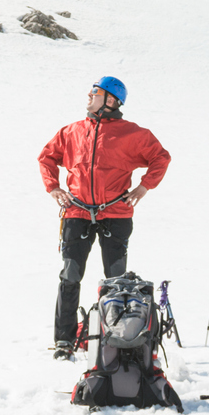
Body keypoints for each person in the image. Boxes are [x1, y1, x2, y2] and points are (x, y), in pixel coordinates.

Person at [38, 76, 172, 361]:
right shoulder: (72, 131)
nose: (89, 95)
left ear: (111, 100)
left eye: (95, 92)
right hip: (77, 212)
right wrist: (54, 187)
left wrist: (143, 187)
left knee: (116, 281)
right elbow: (47, 157)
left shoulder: (133, 134)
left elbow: (161, 158)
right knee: (70, 276)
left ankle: (116, 339)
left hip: (116, 214)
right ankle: (64, 340)